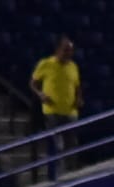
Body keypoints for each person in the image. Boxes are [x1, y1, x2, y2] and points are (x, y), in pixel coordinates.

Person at [31, 35, 82, 172]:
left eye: (71, 50)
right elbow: (33, 83)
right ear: (58, 50)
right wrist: (40, 94)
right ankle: (55, 173)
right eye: (66, 50)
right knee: (56, 145)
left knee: (71, 144)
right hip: (52, 111)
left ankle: (71, 171)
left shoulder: (73, 66)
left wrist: (78, 98)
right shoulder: (46, 64)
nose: (69, 53)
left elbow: (77, 86)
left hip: (70, 111)